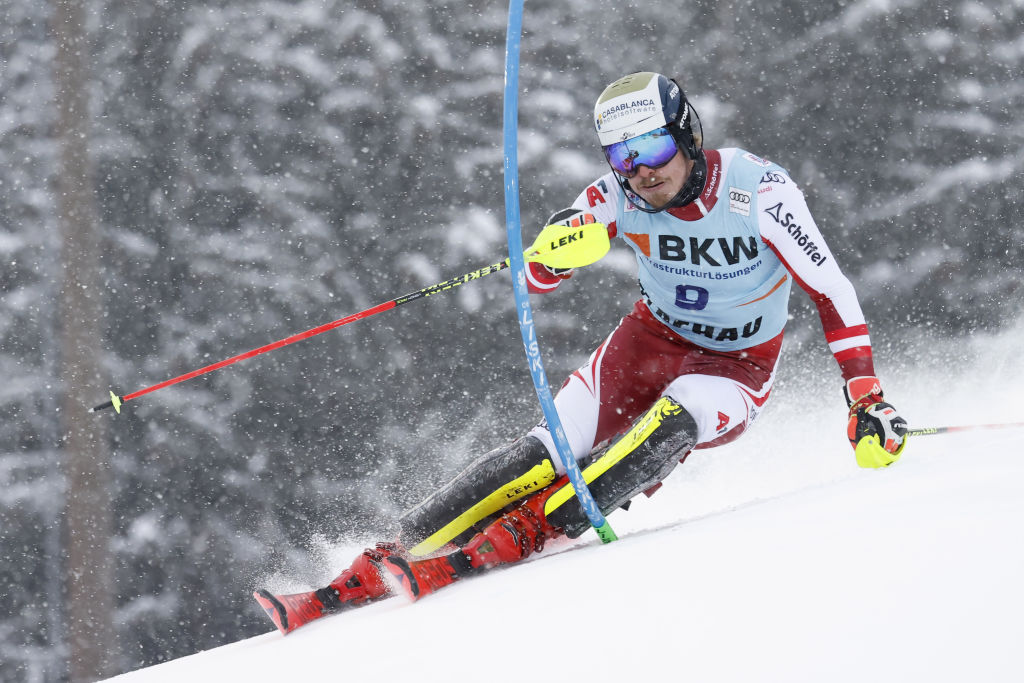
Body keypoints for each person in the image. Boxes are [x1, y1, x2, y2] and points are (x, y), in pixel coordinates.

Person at [254, 71, 909, 633]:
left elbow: (830, 290)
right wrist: (559, 249)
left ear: (686, 134)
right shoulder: (615, 194)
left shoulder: (756, 189)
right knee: (543, 452)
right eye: (622, 155)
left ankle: (516, 539)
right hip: (646, 344)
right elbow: (540, 273)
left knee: (674, 418)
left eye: (652, 146)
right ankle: (370, 569)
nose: (642, 169)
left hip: (735, 368)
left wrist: (865, 397)